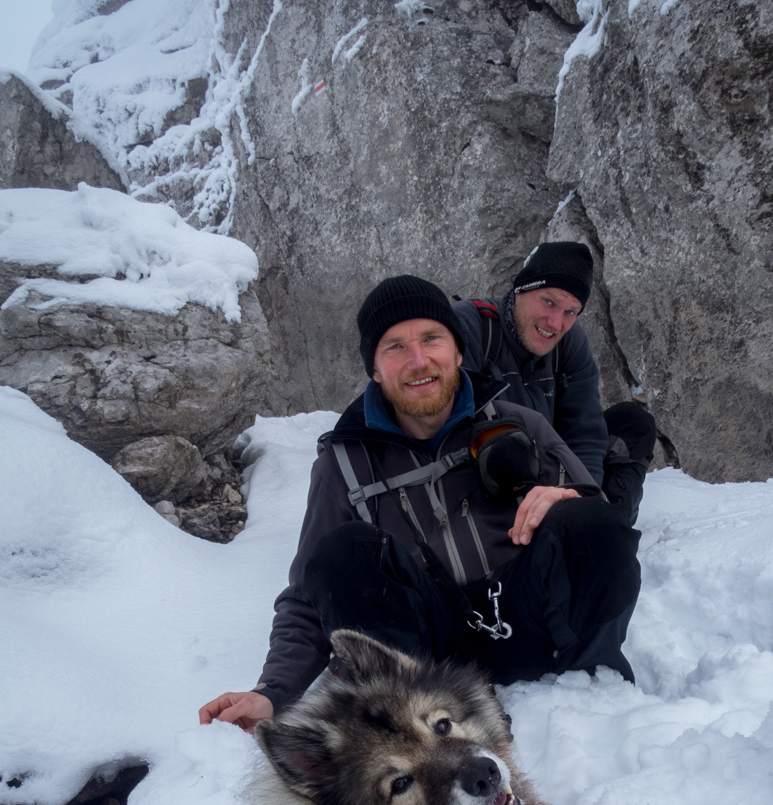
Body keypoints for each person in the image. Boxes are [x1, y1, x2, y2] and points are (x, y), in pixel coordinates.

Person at [199, 276, 641, 731]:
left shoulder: (517, 422)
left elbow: (597, 521)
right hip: (427, 659)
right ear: (374, 368)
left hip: (529, 621)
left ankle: (592, 694)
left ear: (457, 351)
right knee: (343, 553)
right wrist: (272, 692)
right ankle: (421, 715)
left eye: (432, 338)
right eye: (395, 347)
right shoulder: (343, 464)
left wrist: (568, 498)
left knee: (591, 520)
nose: (418, 360)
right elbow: (309, 594)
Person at [453, 241, 657, 525]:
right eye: (548, 302)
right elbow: (449, 432)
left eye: (570, 312)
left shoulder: (569, 342)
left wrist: (583, 502)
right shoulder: (471, 326)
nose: (555, 323)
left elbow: (584, 431)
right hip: (492, 470)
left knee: (634, 423)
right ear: (521, 289)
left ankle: (609, 525)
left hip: (552, 464)